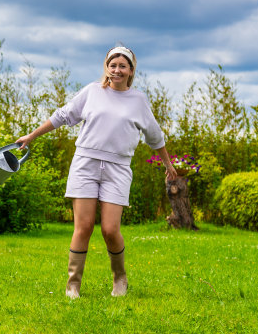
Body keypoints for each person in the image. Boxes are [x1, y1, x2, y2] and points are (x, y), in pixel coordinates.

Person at [15, 45, 177, 299]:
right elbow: (63, 115)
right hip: (86, 164)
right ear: (106, 68)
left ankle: (120, 278)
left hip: (118, 168)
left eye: (123, 66)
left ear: (132, 71)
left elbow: (155, 137)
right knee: (84, 226)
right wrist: (32, 135)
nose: (117, 70)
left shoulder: (139, 101)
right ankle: (73, 286)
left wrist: (169, 166)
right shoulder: (92, 91)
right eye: (113, 65)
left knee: (110, 229)